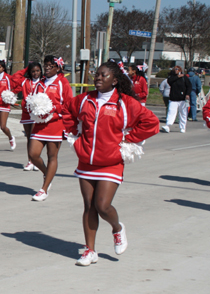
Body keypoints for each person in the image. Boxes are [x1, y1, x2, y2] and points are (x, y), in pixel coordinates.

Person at [63, 61, 160, 266]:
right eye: (96, 75)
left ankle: (117, 228)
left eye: (103, 75)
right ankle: (90, 251)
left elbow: (151, 123)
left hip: (111, 162)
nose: (98, 78)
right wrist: (75, 135)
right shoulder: (83, 100)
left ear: (115, 80)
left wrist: (128, 140)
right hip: (86, 160)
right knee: (89, 206)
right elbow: (67, 112)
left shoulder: (126, 103)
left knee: (102, 205)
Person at [27, 56, 72, 201]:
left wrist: (53, 110)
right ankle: (48, 173)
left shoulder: (62, 82)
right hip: (39, 124)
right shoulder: (40, 84)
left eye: (50, 66)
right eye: (46, 65)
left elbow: (68, 104)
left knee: (52, 156)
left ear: (57, 68)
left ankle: (44, 189)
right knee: (33, 154)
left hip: (55, 124)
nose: (47, 68)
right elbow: (33, 100)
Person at [12, 61, 43, 171]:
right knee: (29, 137)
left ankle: (36, 159)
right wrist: (25, 69)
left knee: (35, 137)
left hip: (38, 113)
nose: (35, 73)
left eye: (37, 71)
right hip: (26, 112)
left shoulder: (43, 82)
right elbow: (15, 77)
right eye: (33, 71)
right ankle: (30, 160)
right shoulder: (25, 81)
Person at [160, 66, 191, 133]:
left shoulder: (184, 78)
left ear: (180, 70)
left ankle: (182, 127)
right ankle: (167, 125)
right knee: (171, 112)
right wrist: (177, 77)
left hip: (182, 99)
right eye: (175, 69)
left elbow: (189, 86)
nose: (176, 70)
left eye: (177, 69)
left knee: (183, 113)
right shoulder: (171, 78)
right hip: (173, 99)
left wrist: (187, 94)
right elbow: (169, 81)